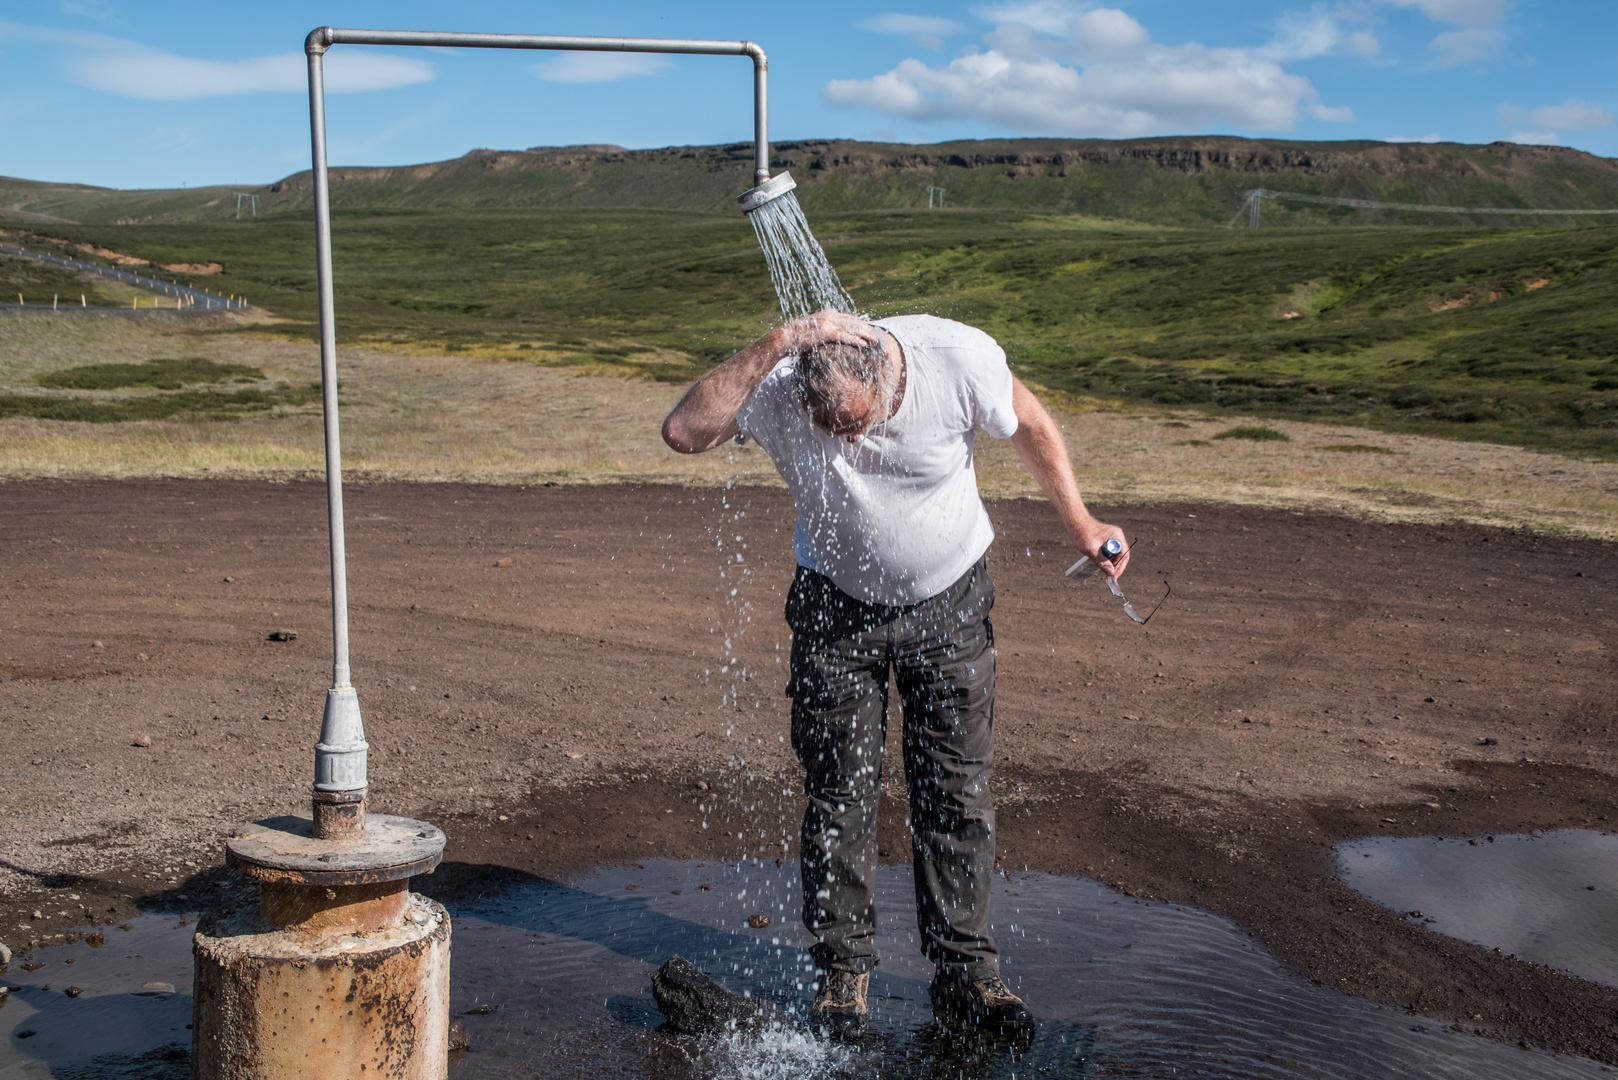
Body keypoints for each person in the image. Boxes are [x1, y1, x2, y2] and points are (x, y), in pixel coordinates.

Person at [661, 309, 1128, 1034]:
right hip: (833, 611)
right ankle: (843, 974)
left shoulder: (955, 356)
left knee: (955, 789)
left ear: (887, 376)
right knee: (838, 795)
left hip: (950, 603)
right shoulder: (784, 379)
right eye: (830, 426)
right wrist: (778, 343)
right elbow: (683, 433)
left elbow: (1029, 420)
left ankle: (967, 973)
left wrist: (1084, 524)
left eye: (859, 423)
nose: (847, 439)